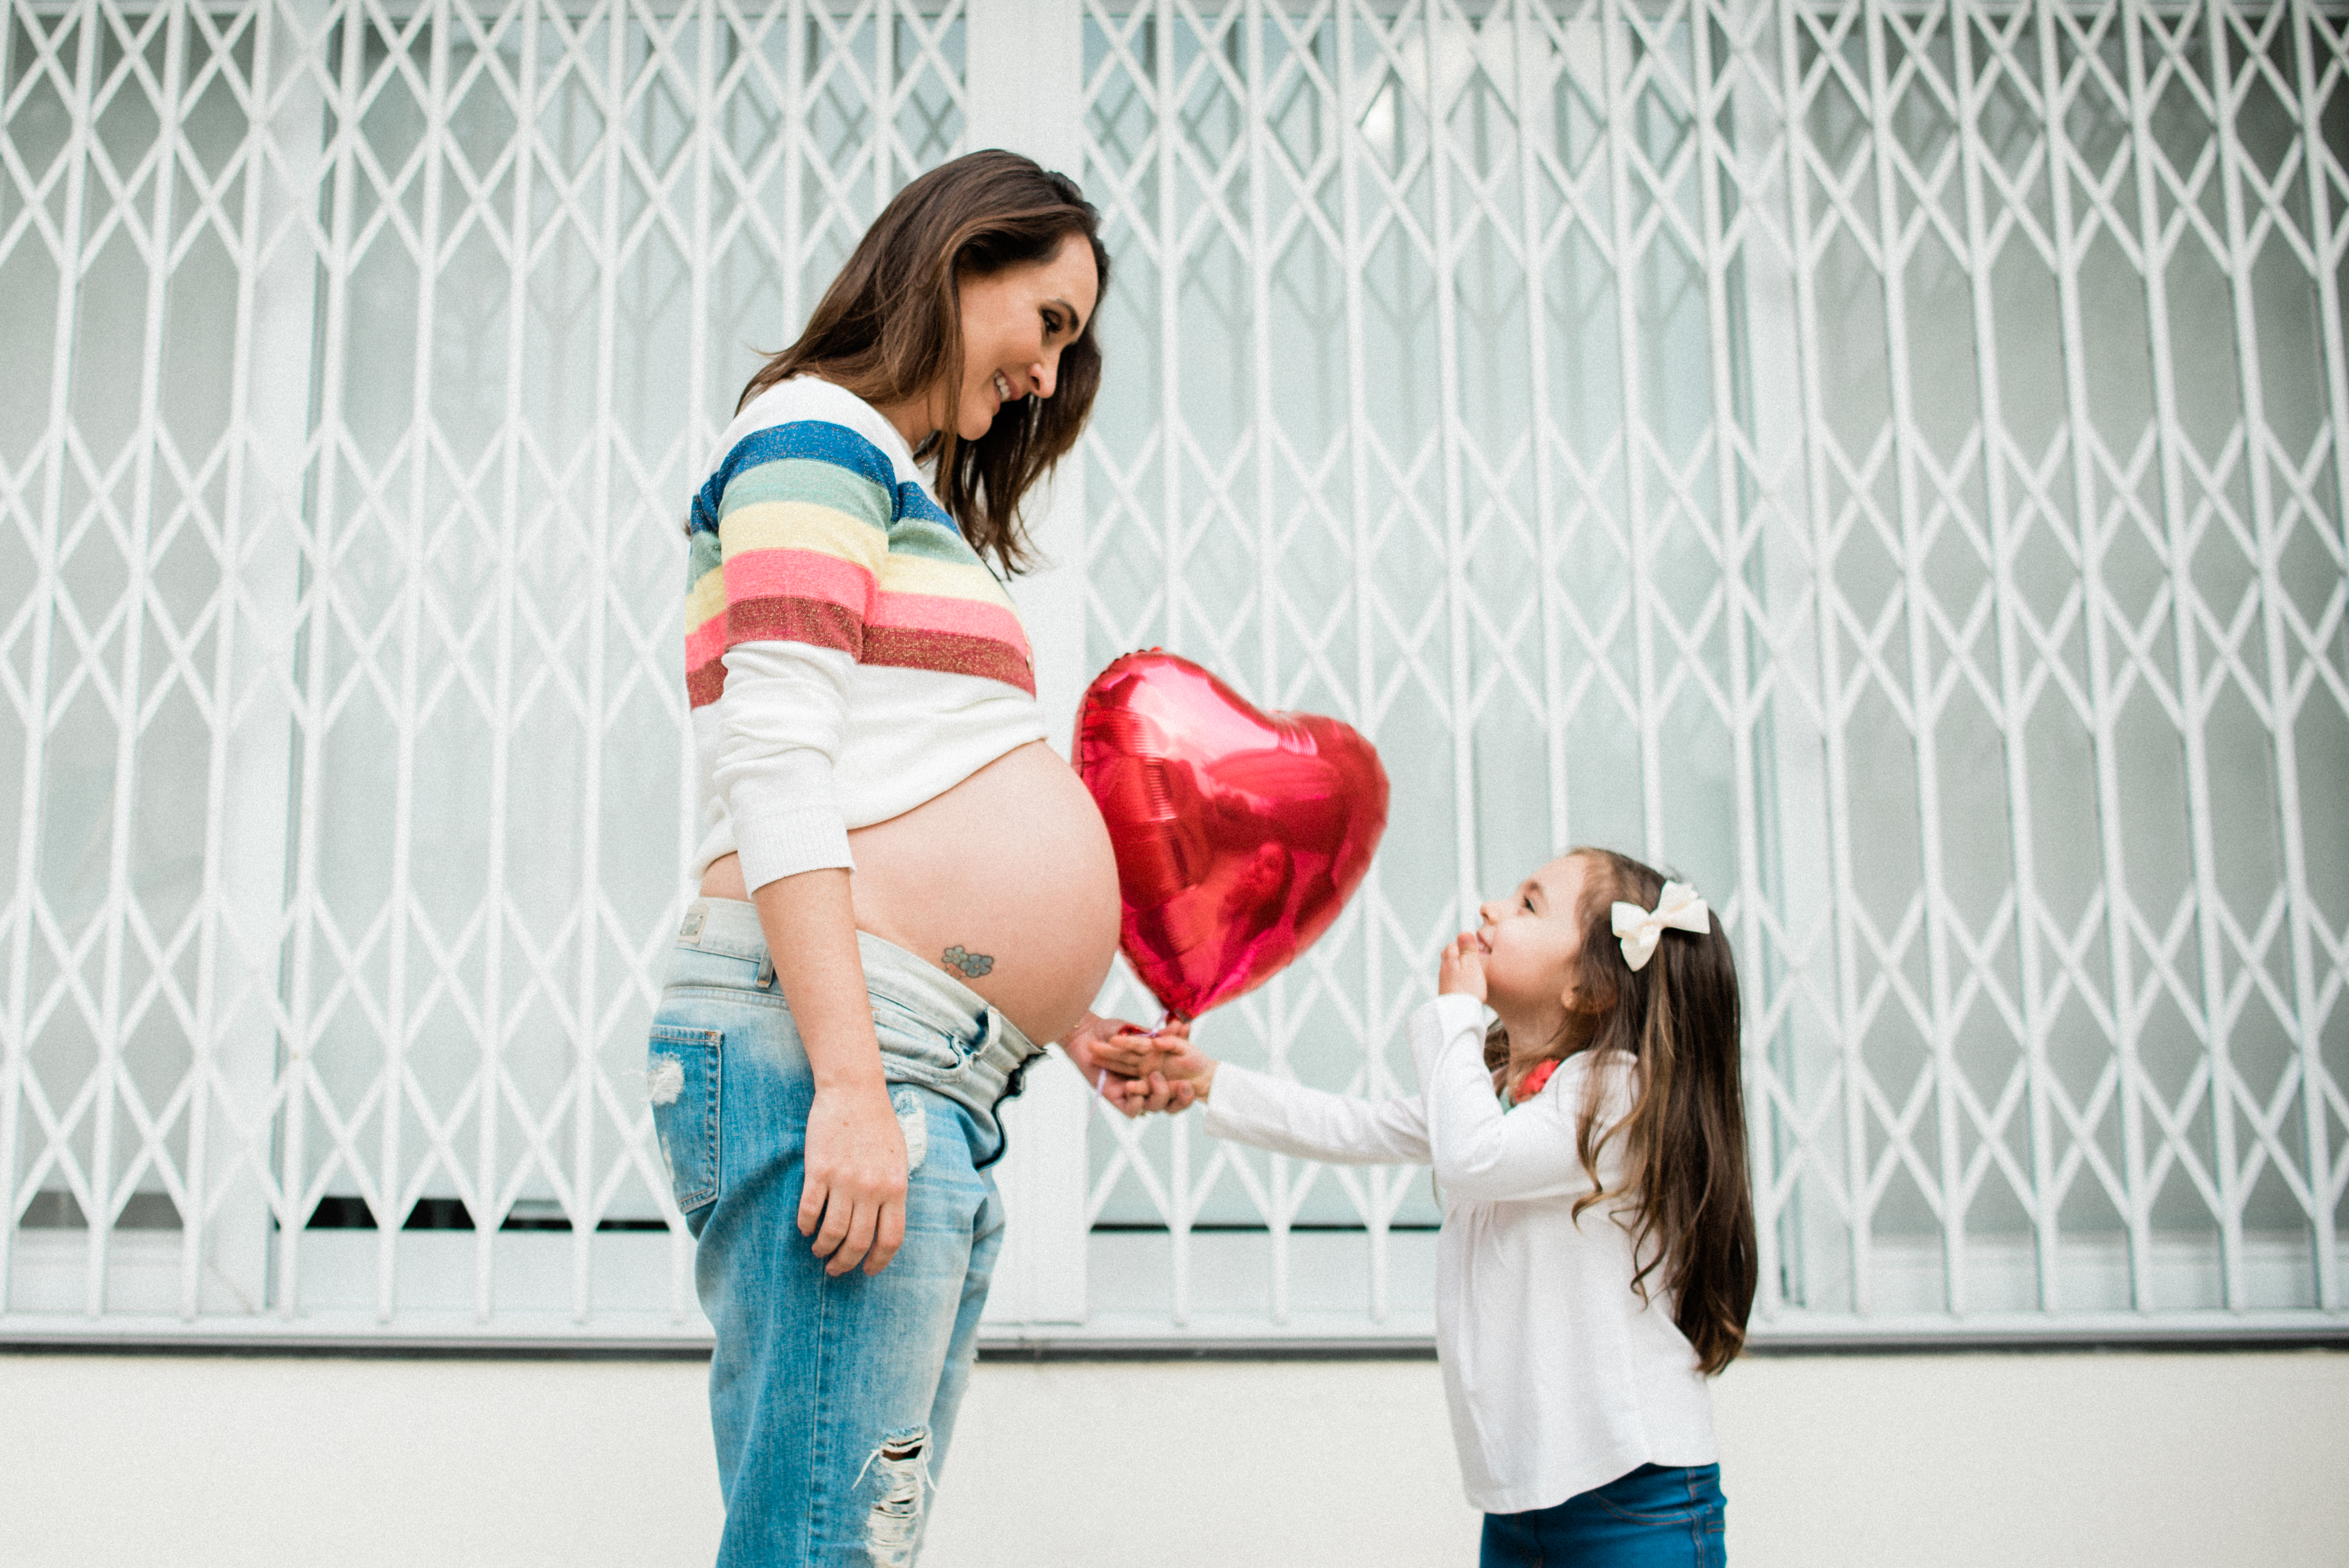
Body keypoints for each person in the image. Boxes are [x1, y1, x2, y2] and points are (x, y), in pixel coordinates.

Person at [646, 150, 1187, 1568]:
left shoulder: (890, 485)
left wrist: (1056, 1017)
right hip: (839, 1053)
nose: (1050, 376)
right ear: (957, 260)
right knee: (827, 1545)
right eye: (1048, 325)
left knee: (856, 1542)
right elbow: (777, 756)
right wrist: (849, 1084)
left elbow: (906, 780)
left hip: (921, 1063)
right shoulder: (813, 435)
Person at [1110, 846, 1757, 1568]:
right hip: (1525, 1505)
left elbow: (1471, 1159)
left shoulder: (1618, 1098)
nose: (1491, 909)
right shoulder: (1514, 1092)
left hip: (1637, 1500)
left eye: (1528, 905)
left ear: (1588, 991)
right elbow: (1357, 1126)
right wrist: (1210, 1081)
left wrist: (1454, 1010)